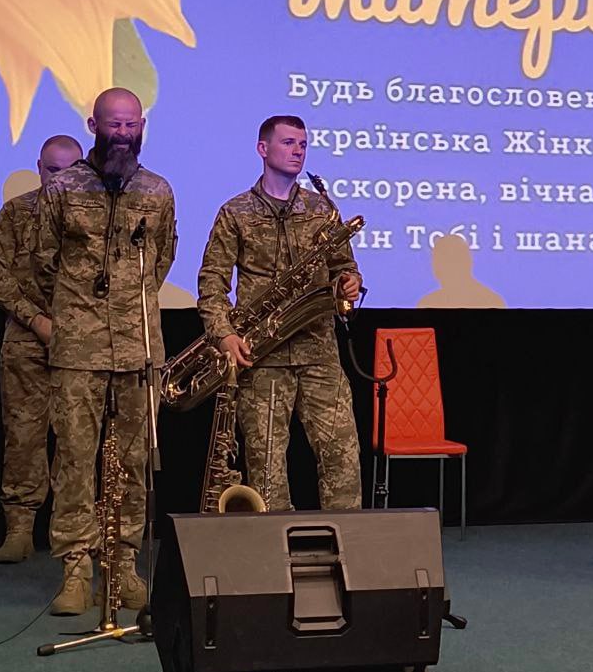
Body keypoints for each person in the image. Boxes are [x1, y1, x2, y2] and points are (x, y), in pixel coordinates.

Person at [33, 88, 176, 615]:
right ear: (93, 125)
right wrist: (80, 306)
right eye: (114, 124)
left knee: (134, 462)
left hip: (138, 347)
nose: (123, 134)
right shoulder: (63, 188)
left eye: (131, 124)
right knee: (75, 458)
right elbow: (43, 259)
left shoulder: (158, 191)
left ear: (142, 127)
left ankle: (123, 565)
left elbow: (162, 259)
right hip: (78, 347)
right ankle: (76, 568)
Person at [197, 115, 362, 512]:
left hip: (318, 351)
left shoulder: (322, 209)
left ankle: (349, 542)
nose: (298, 151)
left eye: (303, 144)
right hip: (262, 355)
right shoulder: (235, 212)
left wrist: (349, 282)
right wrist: (224, 334)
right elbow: (211, 282)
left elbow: (344, 267)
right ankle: (277, 548)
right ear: (263, 149)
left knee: (343, 458)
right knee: (267, 470)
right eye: (288, 143)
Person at [0, 135, 83, 562]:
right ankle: (20, 529)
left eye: (71, 171)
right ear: (39, 168)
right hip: (27, 341)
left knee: (78, 440)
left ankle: (74, 532)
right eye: (53, 170)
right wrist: (36, 319)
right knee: (23, 437)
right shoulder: (17, 212)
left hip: (84, 345)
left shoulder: (96, 218)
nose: (61, 179)